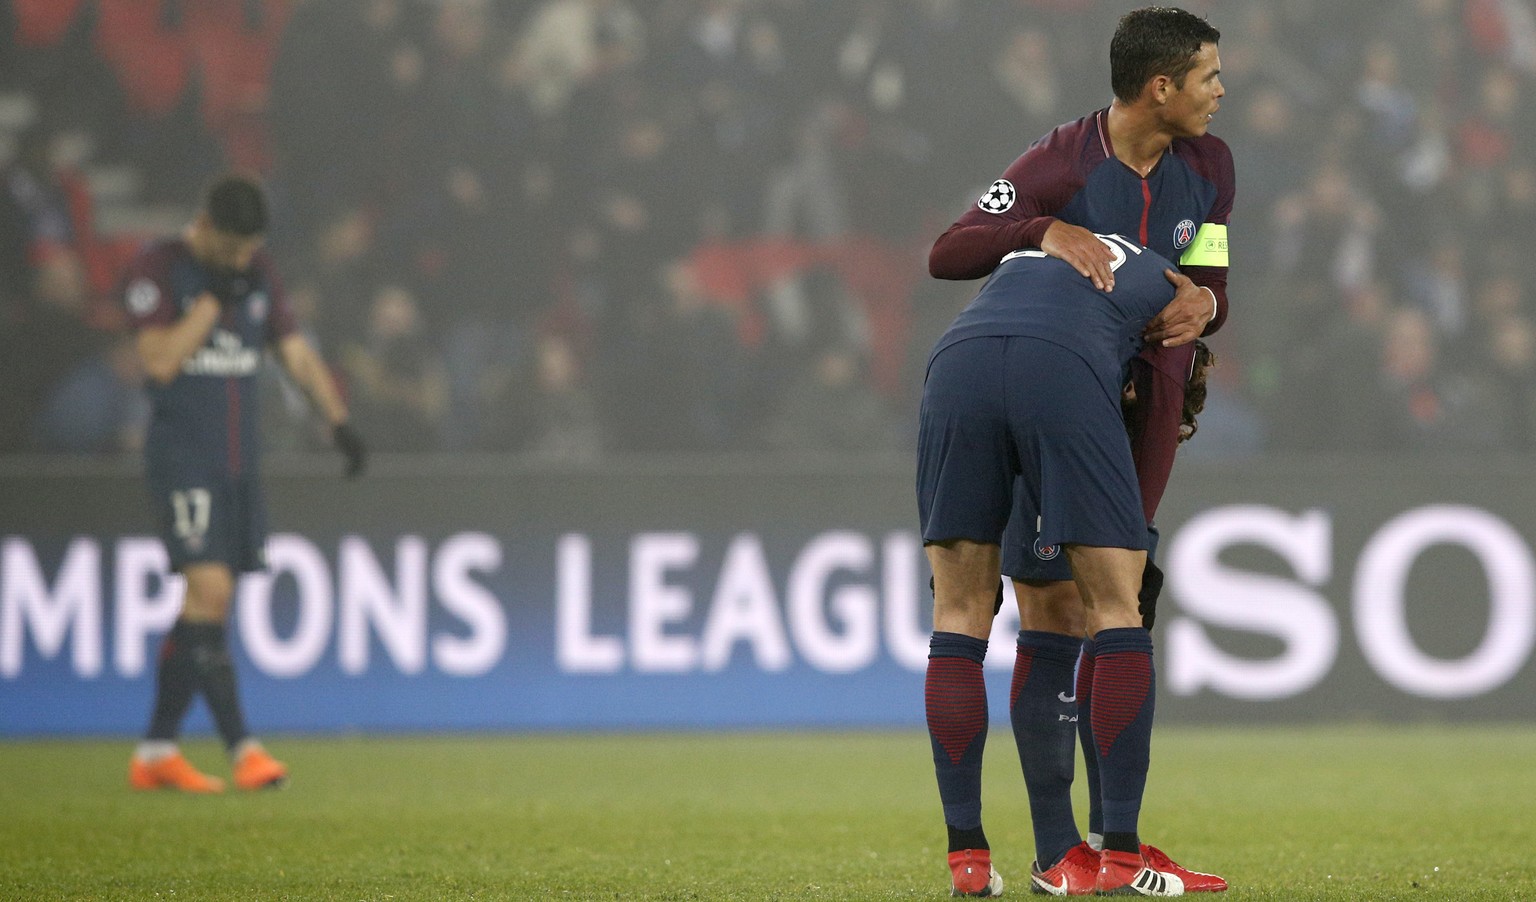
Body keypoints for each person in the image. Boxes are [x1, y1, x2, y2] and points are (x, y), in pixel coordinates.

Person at [927, 7, 1233, 895]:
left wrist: (1207, 308)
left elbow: (1209, 279)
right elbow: (951, 251)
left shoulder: (1209, 168)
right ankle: (1084, 849)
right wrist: (1040, 228)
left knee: (1107, 595)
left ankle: (1093, 845)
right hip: (1057, 395)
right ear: (1161, 86)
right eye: (1210, 75)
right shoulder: (1059, 161)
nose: (1222, 92)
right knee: (1067, 606)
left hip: (1137, 403)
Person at [920, 234, 1191, 897]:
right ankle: (1120, 856)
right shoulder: (1173, 291)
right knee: (1115, 608)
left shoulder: (1032, 250)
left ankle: (968, 856)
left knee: (958, 613)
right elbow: (1159, 402)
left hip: (956, 363)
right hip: (1064, 373)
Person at [121, 174, 367, 793]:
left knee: (204, 605)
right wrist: (208, 303)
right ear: (203, 223)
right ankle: (244, 750)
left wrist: (338, 423)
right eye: (230, 249)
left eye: (248, 250)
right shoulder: (158, 267)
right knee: (211, 590)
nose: (239, 261)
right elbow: (157, 363)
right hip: (183, 457)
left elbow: (295, 352)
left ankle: (155, 751)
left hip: (237, 464)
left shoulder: (258, 272)